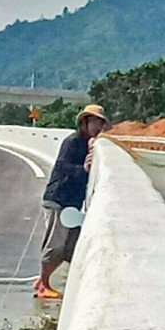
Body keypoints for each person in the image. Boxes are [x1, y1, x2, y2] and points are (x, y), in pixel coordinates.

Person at [34, 104, 109, 300]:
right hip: (58, 199)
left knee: (69, 246)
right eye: (94, 122)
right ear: (85, 122)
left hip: (71, 204)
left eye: (100, 123)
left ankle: (43, 279)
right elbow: (62, 166)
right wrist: (83, 168)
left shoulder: (89, 144)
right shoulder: (73, 142)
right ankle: (43, 285)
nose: (98, 127)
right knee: (56, 243)